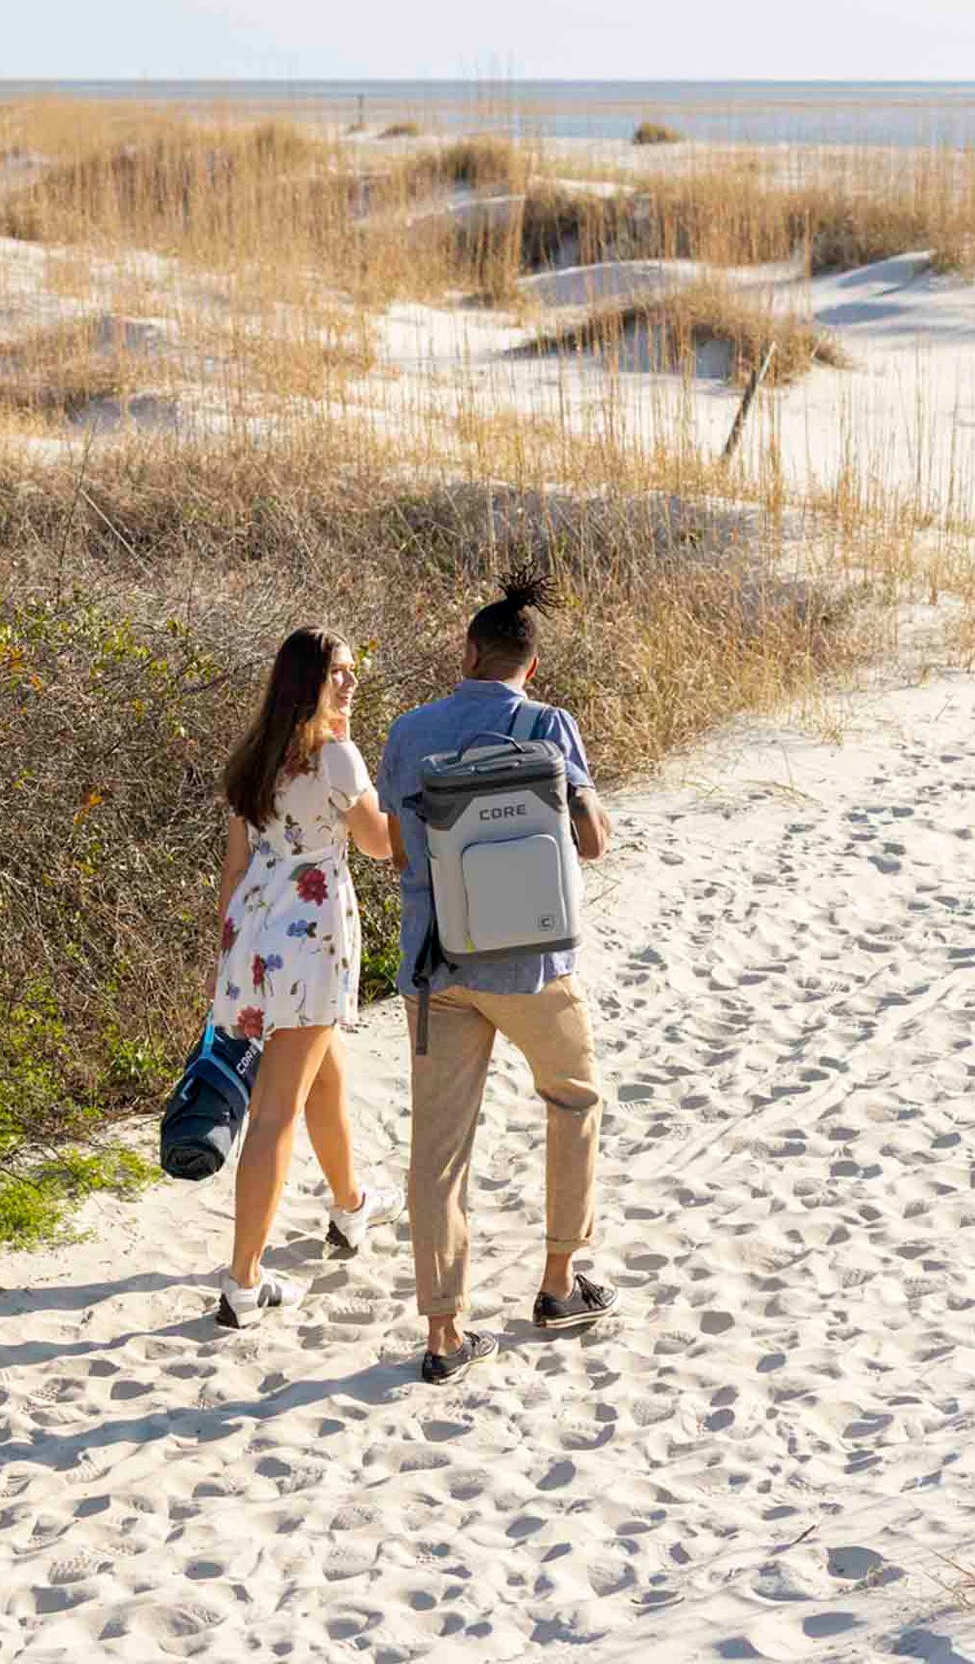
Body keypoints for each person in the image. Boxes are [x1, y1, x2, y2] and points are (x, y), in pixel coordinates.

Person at [376, 568, 619, 1385]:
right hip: (533, 966)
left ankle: (445, 1335)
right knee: (574, 1099)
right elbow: (591, 841)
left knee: (438, 1152)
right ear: (531, 665)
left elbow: (404, 851)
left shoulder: (410, 730)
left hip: (438, 961)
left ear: (468, 651)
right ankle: (558, 1283)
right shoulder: (551, 725)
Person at [211, 627, 401, 1328]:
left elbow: (234, 865)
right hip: (309, 939)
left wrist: (226, 958)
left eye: (353, 671)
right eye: (338, 674)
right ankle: (243, 1283)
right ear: (309, 682)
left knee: (325, 1074)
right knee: (275, 1112)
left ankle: (350, 1206)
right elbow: (380, 846)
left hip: (255, 931)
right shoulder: (334, 758)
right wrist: (401, 799)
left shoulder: (256, 754)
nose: (350, 683)